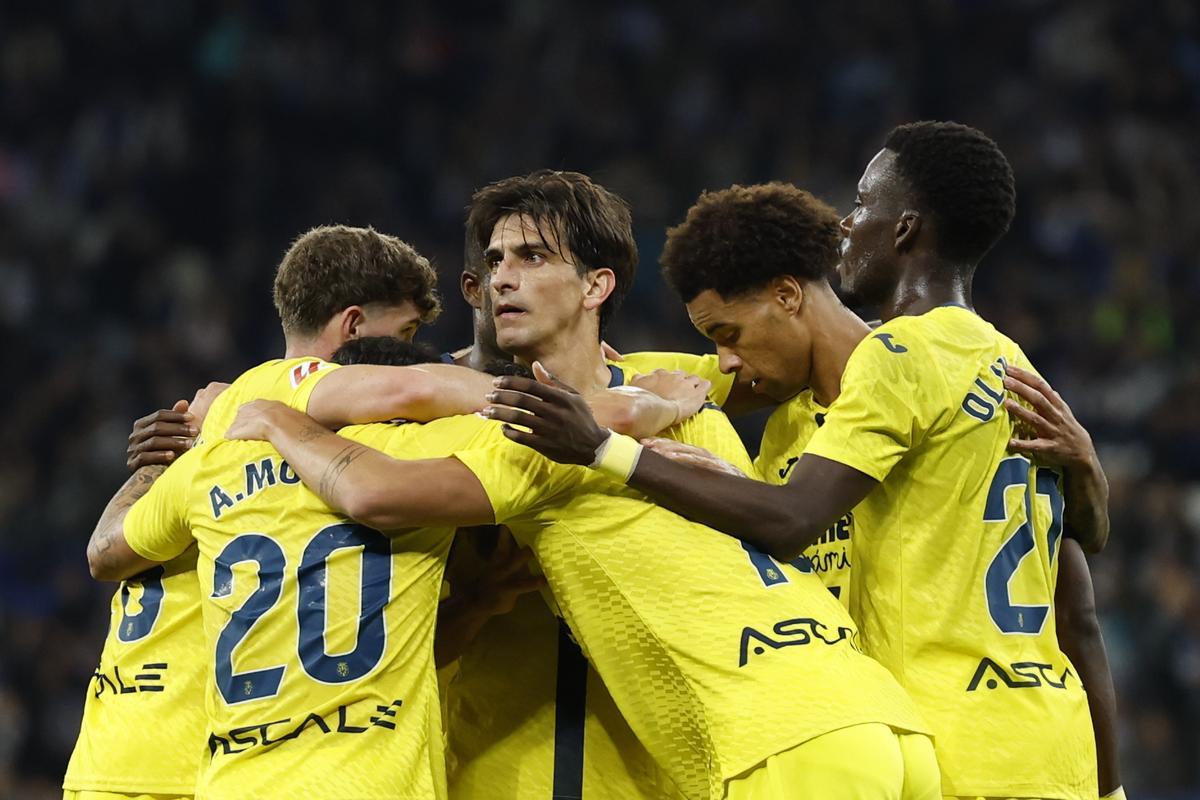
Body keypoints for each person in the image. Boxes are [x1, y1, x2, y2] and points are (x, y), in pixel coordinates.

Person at [486, 123, 1109, 799]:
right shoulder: (1007, 365)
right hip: (1038, 745)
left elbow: (791, 518)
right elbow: (1075, 589)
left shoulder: (900, 362)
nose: (846, 225)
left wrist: (608, 450)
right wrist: (1091, 479)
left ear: (904, 230)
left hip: (954, 743)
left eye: (863, 205)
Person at [66, 224, 496, 800]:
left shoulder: (217, 435)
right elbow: (411, 390)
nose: (414, 354)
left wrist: (156, 466)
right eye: (408, 331)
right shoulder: (283, 401)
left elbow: (102, 551)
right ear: (350, 328)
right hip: (191, 756)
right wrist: (592, 400)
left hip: (122, 745)